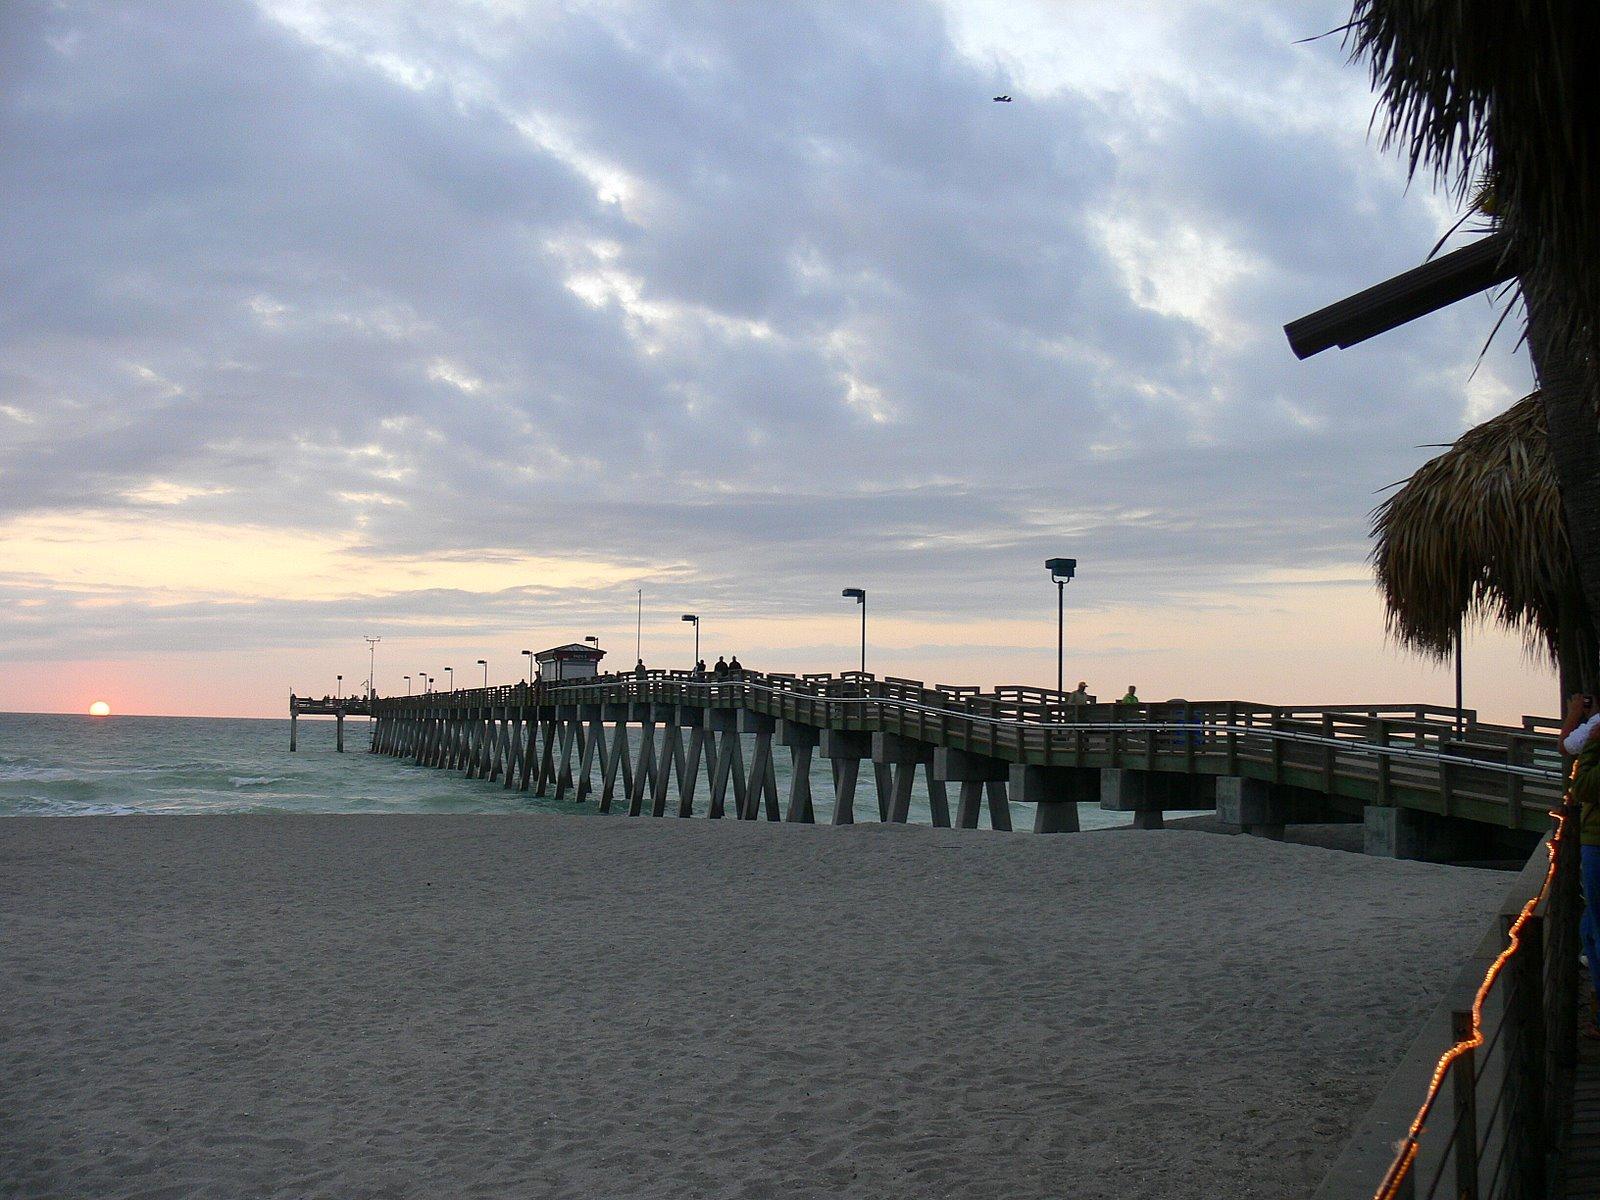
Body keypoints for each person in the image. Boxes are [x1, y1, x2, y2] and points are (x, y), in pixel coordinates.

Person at [1561, 691, 1600, 1038]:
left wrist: (1577, 717)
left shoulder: (1596, 730)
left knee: (1596, 929)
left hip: (1597, 840)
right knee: (1591, 927)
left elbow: (1585, 784)